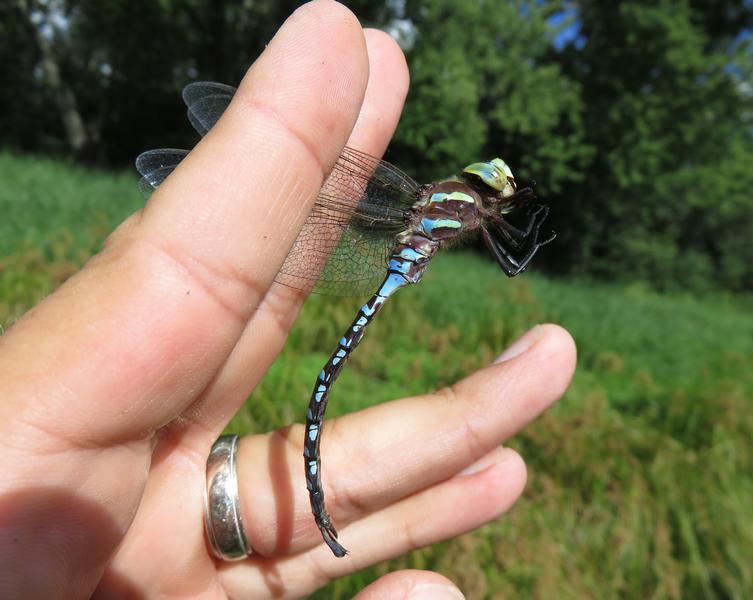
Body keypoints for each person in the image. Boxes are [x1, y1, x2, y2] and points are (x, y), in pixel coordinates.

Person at [0, 1, 576, 598]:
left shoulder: (462, 206)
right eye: (492, 184)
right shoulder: (460, 208)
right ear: (478, 189)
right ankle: (310, 490)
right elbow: (512, 252)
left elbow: (511, 250)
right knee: (328, 380)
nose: (496, 190)